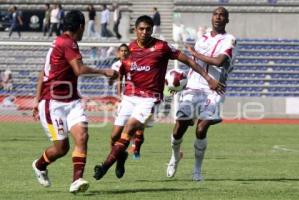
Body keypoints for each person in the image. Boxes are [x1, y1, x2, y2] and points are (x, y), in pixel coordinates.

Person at [93, 15, 225, 181]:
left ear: (152, 30)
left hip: (149, 98)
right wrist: (114, 77)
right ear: (135, 30)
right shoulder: (130, 49)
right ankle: (121, 158)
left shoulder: (162, 47)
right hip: (129, 97)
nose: (145, 32)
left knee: (130, 130)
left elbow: (189, 61)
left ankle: (104, 167)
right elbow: (123, 71)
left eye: (148, 29)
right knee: (114, 135)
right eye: (141, 29)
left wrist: (208, 78)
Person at [31, 10, 116, 193]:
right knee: (61, 148)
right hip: (53, 103)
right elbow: (78, 70)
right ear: (81, 26)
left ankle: (77, 181)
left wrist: (35, 98)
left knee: (83, 136)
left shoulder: (60, 42)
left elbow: (42, 71)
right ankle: (39, 165)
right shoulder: (68, 43)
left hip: (72, 100)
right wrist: (104, 72)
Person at [166, 7, 236, 181]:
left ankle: (197, 170)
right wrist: (180, 78)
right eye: (215, 14)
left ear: (227, 20)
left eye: (222, 15)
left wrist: (195, 54)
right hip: (193, 87)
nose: (218, 17)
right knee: (179, 128)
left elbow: (219, 61)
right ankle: (175, 157)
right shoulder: (202, 38)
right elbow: (193, 63)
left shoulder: (230, 39)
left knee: (201, 128)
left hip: (214, 88)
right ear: (211, 18)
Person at [109, 44, 145, 160]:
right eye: (122, 51)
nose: (124, 53)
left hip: (136, 98)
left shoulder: (134, 64)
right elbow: (113, 81)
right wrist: (111, 79)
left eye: (126, 51)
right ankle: (117, 152)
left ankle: (136, 148)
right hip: (123, 100)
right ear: (118, 53)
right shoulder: (115, 65)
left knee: (138, 127)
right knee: (119, 131)